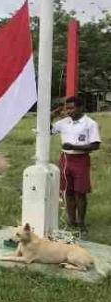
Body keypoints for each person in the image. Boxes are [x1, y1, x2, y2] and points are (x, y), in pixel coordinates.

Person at [51, 96, 101, 233]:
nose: (69, 111)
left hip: (80, 160)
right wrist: (51, 116)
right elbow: (48, 131)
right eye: (67, 108)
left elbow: (95, 145)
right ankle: (71, 220)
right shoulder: (64, 122)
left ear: (80, 108)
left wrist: (74, 147)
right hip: (65, 160)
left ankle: (81, 222)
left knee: (80, 193)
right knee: (68, 191)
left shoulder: (90, 124)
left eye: (72, 108)